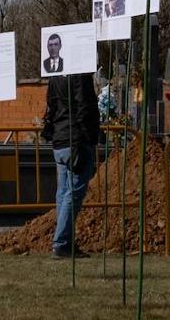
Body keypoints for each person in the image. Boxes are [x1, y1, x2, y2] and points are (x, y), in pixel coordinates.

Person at [41, 71, 99, 258]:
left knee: (64, 192)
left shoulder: (56, 76)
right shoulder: (80, 76)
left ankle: (62, 241)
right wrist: (90, 136)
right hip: (76, 140)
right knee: (73, 192)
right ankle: (62, 243)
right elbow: (84, 106)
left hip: (60, 138)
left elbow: (52, 104)